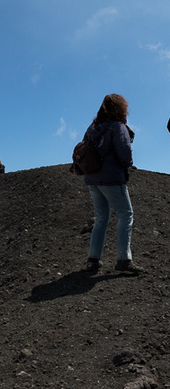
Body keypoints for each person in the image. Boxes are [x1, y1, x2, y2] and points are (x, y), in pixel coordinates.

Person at [83, 93, 142, 273]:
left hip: (92, 178)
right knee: (126, 215)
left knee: (101, 217)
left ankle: (93, 260)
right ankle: (123, 259)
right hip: (112, 178)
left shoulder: (92, 127)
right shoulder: (118, 127)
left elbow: (85, 148)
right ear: (121, 108)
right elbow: (125, 156)